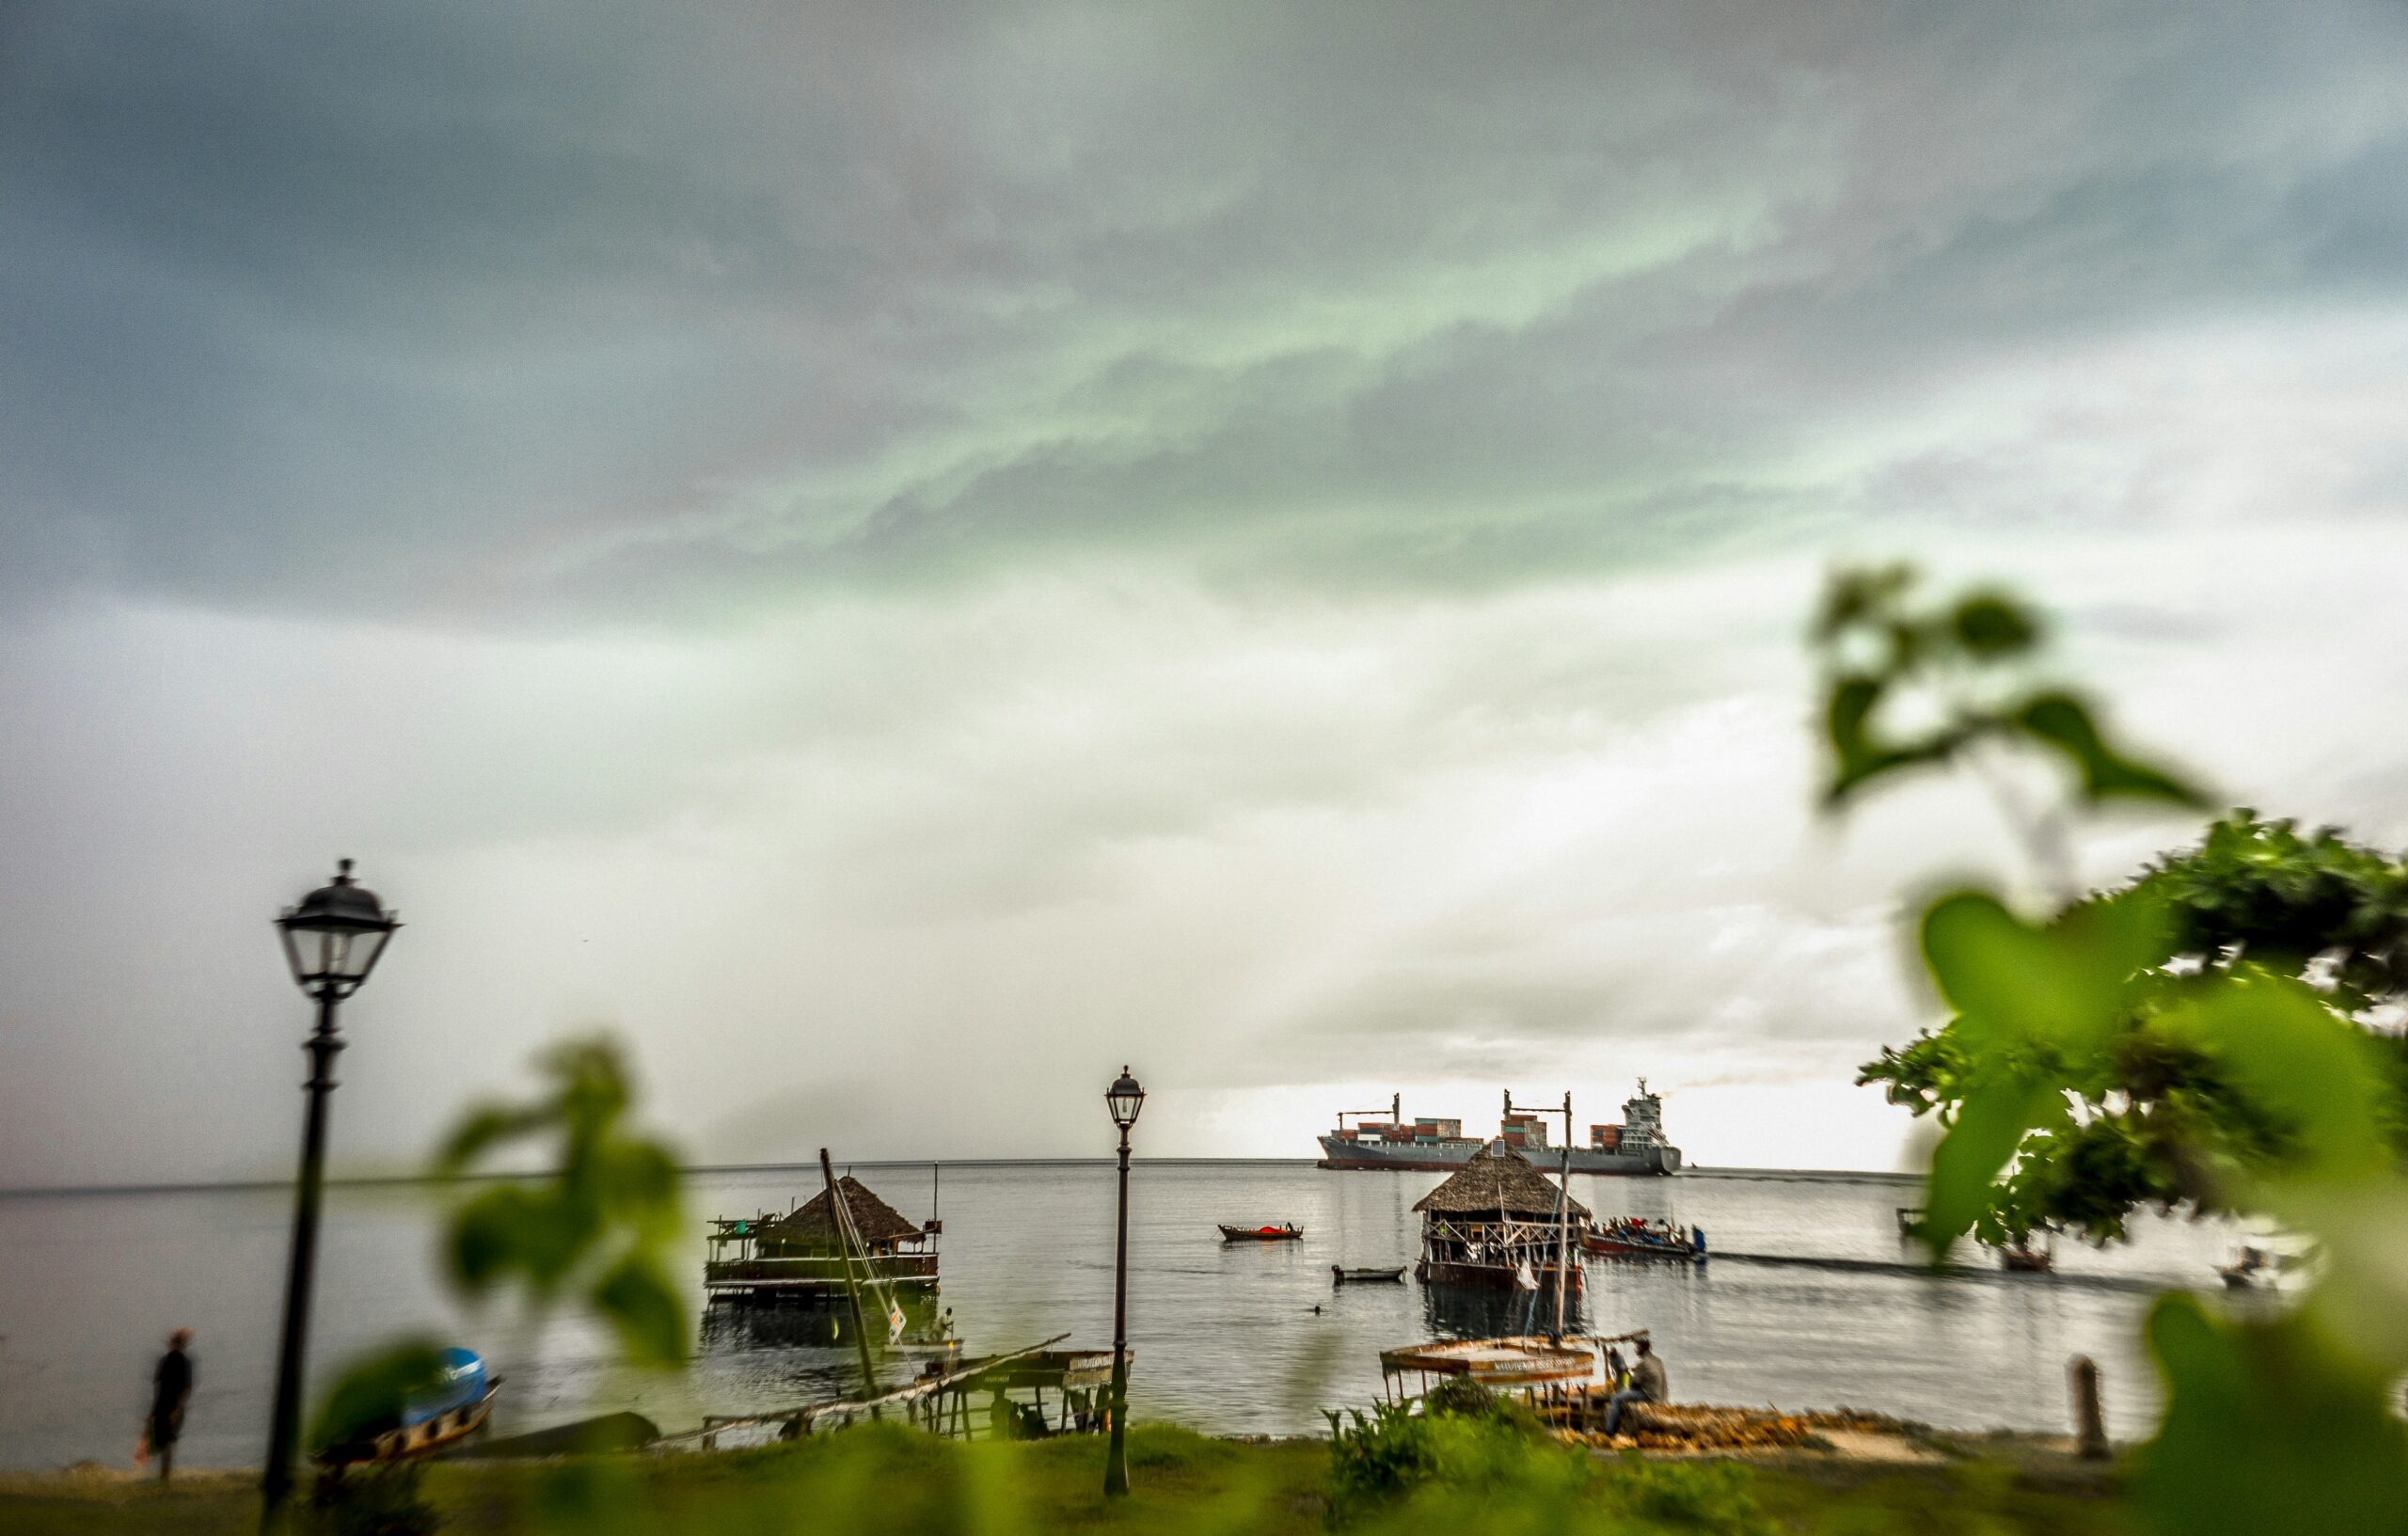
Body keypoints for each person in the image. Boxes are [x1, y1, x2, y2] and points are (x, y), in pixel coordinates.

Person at [145, 1330, 194, 1481]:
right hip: (171, 1405)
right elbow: (186, 1389)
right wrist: (177, 1409)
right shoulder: (183, 1362)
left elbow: (158, 1386)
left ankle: (164, 1476)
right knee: (165, 1444)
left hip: (164, 1405)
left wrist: (154, 1411)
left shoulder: (166, 1361)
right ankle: (164, 1476)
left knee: (164, 1443)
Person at [1602, 1337, 1667, 1438]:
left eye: (1637, 1348)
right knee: (1626, 1393)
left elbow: (1634, 1383)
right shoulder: (1658, 1360)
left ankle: (1609, 1431)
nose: (1636, 1351)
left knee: (1615, 1398)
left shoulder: (1643, 1363)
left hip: (1650, 1396)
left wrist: (1630, 1375)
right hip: (1662, 1395)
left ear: (1641, 1349)